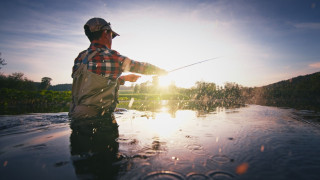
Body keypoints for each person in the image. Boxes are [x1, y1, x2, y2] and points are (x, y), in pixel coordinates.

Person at [69, 17, 167, 119]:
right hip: (96, 119)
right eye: (112, 35)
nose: (111, 39)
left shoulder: (80, 57)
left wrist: (124, 78)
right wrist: (162, 71)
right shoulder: (110, 56)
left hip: (74, 115)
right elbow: (141, 67)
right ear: (105, 33)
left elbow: (91, 85)